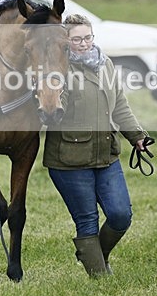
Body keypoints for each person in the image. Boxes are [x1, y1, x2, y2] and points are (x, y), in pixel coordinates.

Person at [43, 14, 151, 277]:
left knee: (120, 215)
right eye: (77, 39)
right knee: (87, 221)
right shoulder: (59, 70)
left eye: (87, 37)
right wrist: (53, 101)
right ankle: (100, 276)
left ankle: (95, 256)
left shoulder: (106, 65)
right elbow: (55, 107)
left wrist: (137, 136)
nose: (83, 43)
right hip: (69, 159)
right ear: (66, 41)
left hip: (106, 155)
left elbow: (120, 105)